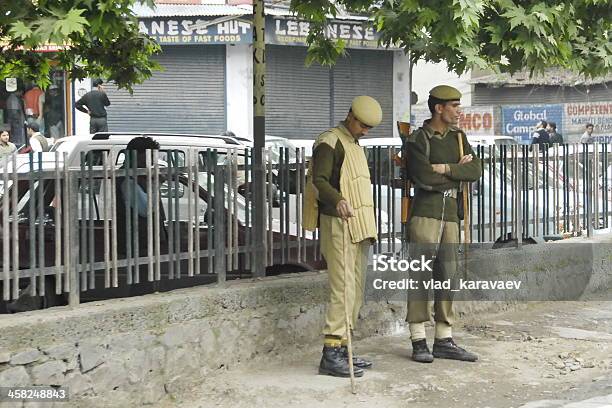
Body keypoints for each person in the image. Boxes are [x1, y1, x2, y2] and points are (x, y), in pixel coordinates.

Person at [303, 96, 381, 378]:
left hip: (358, 224)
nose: (365, 131)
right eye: (362, 125)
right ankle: (331, 351)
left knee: (356, 288)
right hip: (337, 223)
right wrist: (337, 200)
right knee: (343, 287)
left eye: (369, 128)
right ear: (350, 116)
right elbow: (319, 180)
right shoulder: (330, 141)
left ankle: (345, 347)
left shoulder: (354, 143)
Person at [403, 85, 481, 363]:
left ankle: (444, 338)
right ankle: (418, 339)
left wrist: (446, 168)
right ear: (439, 108)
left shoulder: (459, 137)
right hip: (425, 212)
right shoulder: (418, 139)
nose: (459, 111)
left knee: (448, 275)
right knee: (420, 276)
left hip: (450, 214)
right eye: (454, 105)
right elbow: (424, 177)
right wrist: (457, 170)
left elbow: (476, 170)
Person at [115, 136, 167, 258]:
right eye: (150, 156)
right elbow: (145, 209)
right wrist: (156, 183)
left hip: (145, 246)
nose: (153, 161)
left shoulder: (140, 176)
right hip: (137, 248)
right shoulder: (127, 179)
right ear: (137, 156)